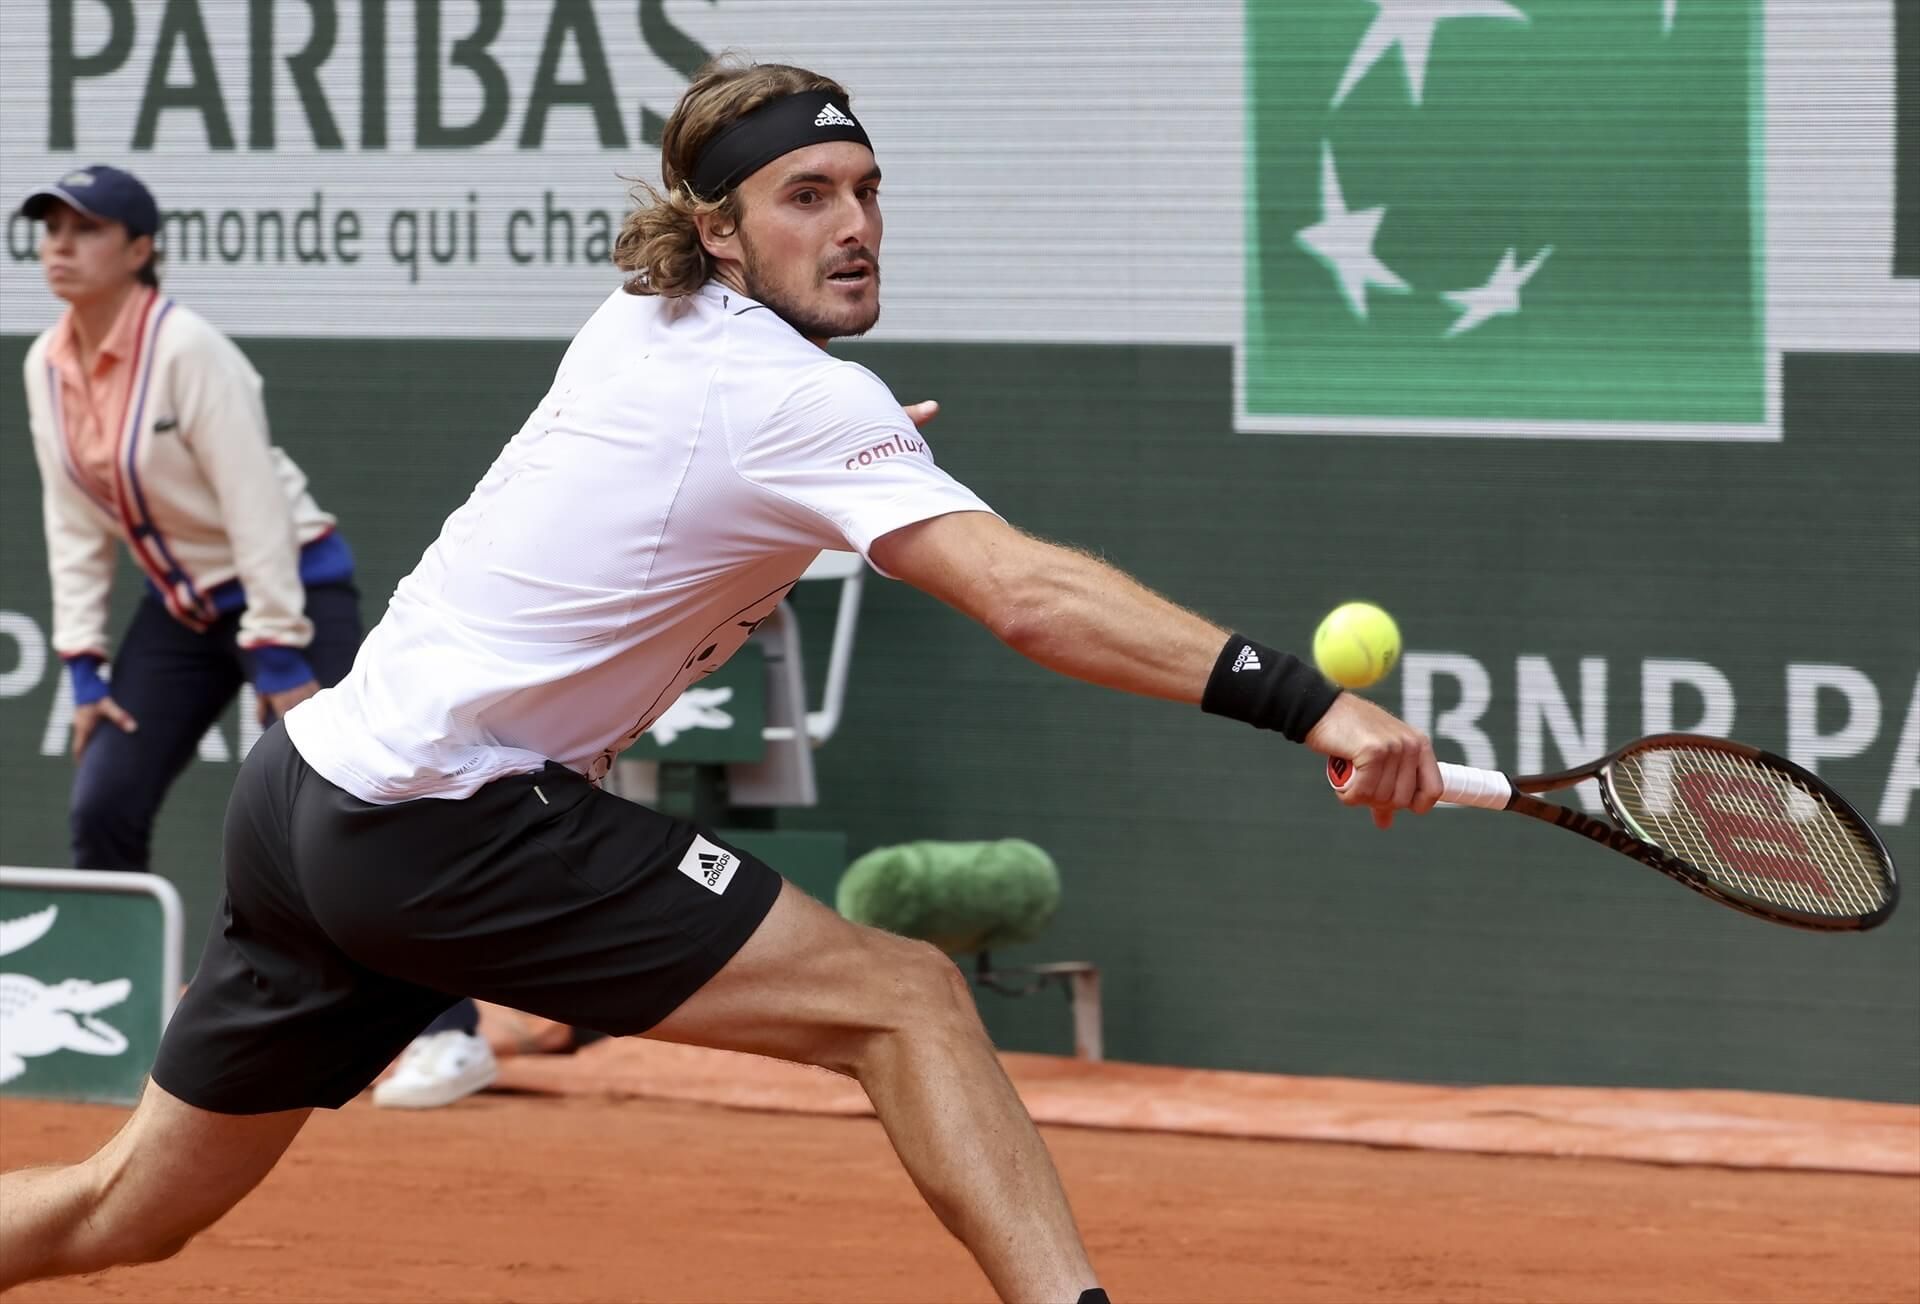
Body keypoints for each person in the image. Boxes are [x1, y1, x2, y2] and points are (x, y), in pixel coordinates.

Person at [0, 61, 1441, 1303]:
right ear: (721, 232)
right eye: (805, 195)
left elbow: (674, 501)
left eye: (867, 188)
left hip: (311, 795)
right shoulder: (796, 401)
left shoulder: (647, 321)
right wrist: (1306, 699)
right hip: (454, 821)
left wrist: (824, 488)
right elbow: (1024, 596)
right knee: (910, 1001)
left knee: (132, 1203)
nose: (857, 224)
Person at [16, 165, 497, 1112]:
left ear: (140, 249)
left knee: (361, 808)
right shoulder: (48, 364)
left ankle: (451, 1035)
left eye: (85, 229)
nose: (59, 246)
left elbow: (253, 506)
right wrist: (80, 662)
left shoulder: (190, 349)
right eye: (49, 229)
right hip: (186, 610)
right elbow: (72, 518)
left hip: (292, 587)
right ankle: (119, 1022)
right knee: (106, 793)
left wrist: (279, 652)